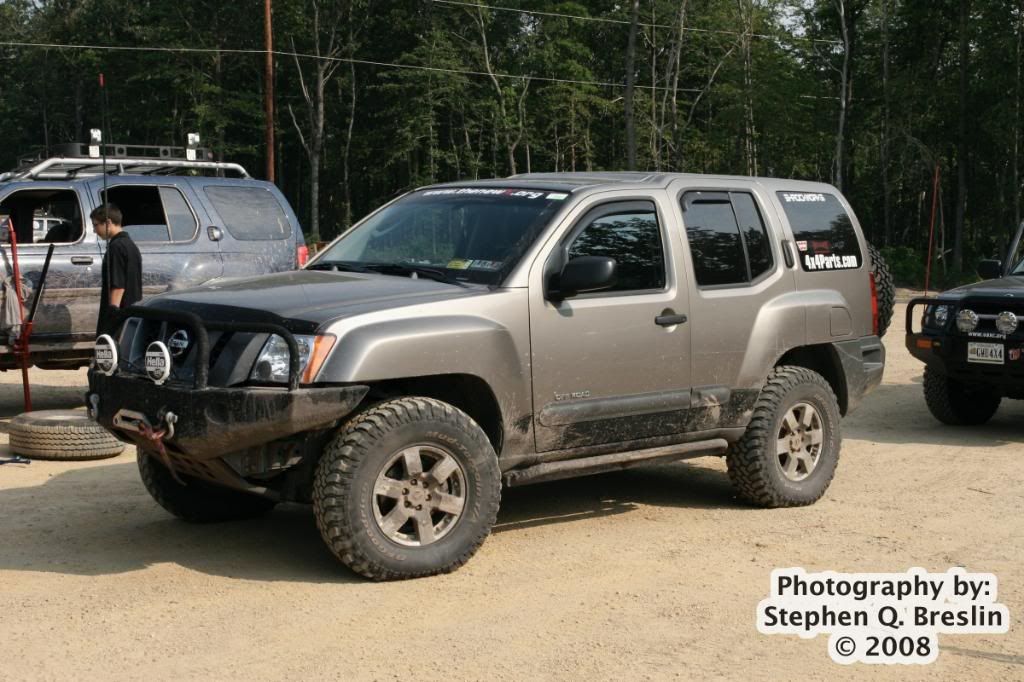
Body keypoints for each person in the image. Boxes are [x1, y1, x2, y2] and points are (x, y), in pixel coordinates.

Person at [91, 203, 142, 337]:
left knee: (111, 354)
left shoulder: (116, 247)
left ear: (108, 222)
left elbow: (118, 286)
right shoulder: (130, 245)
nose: (94, 230)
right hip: (131, 314)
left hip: (119, 316)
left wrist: (111, 320)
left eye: (96, 225)